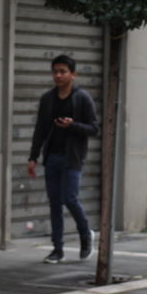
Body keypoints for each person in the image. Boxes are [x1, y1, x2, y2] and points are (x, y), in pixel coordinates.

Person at [27, 55, 99, 264]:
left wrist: (72, 125)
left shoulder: (82, 98)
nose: (58, 75)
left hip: (73, 157)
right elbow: (40, 129)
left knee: (69, 198)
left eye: (63, 71)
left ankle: (86, 235)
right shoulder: (47, 99)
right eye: (55, 71)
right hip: (52, 157)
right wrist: (33, 157)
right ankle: (57, 249)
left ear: (73, 75)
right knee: (55, 203)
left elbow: (94, 128)